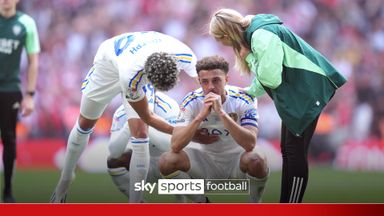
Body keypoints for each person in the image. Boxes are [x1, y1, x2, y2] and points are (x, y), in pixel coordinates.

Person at [50, 31, 208, 203]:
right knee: (85, 124)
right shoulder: (131, 76)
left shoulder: (185, 55)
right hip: (109, 65)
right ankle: (65, 178)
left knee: (140, 134)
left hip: (138, 60)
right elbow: (148, 117)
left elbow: (206, 89)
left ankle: (135, 204)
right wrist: (185, 131)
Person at [208, 8, 347, 203]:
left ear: (225, 34)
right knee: (289, 150)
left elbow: (271, 78)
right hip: (302, 92)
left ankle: (290, 206)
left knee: (294, 151)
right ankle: (287, 204)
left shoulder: (260, 36)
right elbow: (266, 78)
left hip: (307, 92)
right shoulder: (257, 33)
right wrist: (247, 91)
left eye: (218, 39)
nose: (220, 44)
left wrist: (248, 57)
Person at [158, 55, 269, 203]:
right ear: (199, 82)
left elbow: (250, 143)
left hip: (237, 161)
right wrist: (200, 117)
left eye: (216, 80)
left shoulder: (244, 98)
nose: (210, 87)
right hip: (205, 163)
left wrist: (221, 113)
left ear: (226, 80)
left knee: (257, 159)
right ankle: (202, 203)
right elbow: (175, 145)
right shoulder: (191, 101)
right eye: (205, 82)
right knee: (166, 161)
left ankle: (255, 204)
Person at [107, 84, 185, 202]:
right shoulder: (121, 112)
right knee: (114, 162)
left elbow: (171, 145)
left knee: (176, 157)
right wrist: (130, 125)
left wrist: (145, 124)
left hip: (172, 166)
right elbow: (114, 152)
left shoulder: (168, 106)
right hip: (145, 166)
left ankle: (190, 201)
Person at [0, 0, 40, 203]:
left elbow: (34, 61)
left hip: (10, 89)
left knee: (9, 138)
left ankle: (7, 192)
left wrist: (30, 94)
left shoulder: (26, 23)